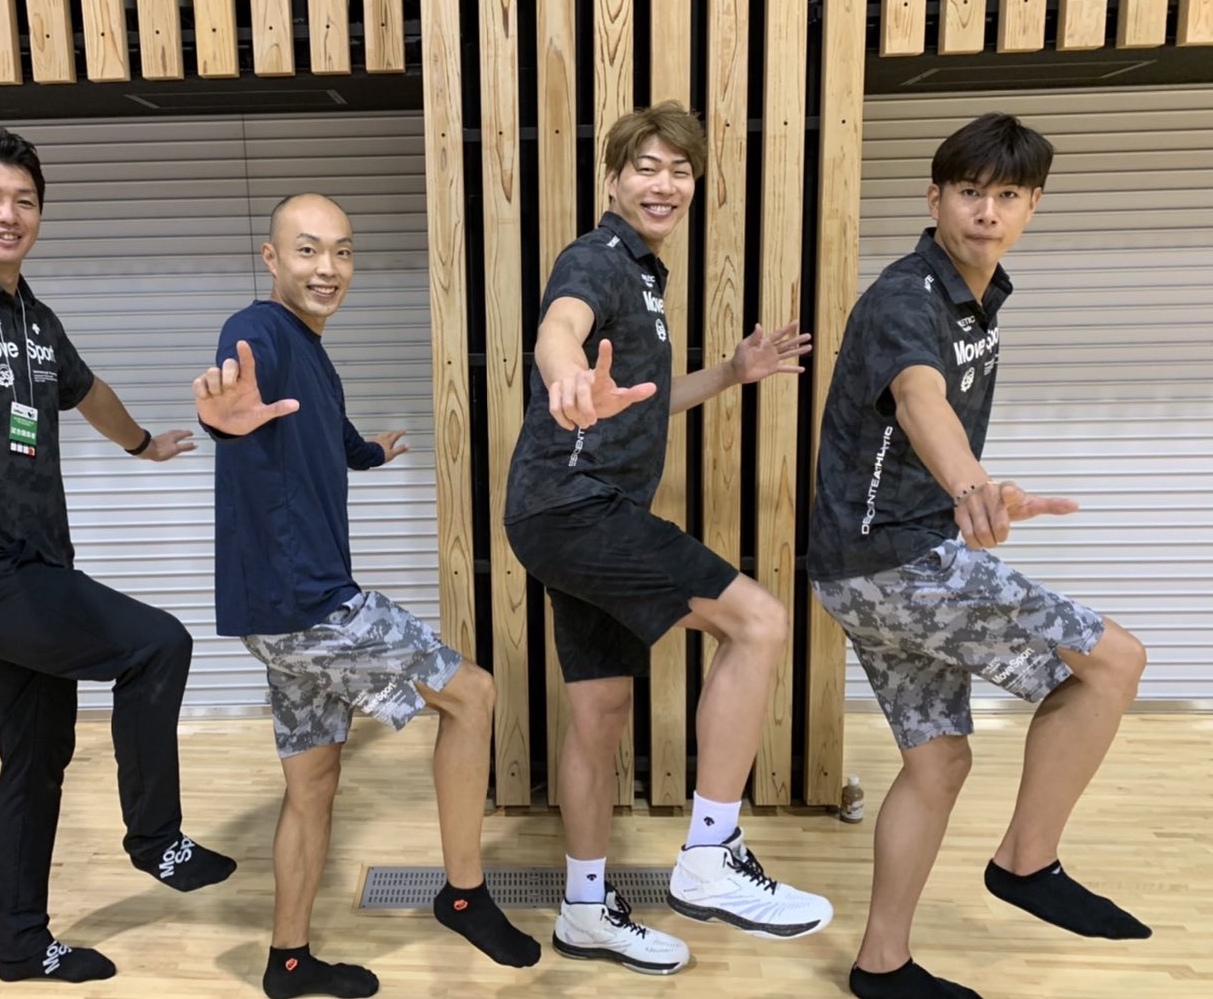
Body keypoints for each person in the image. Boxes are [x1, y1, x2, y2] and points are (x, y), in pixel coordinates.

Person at [0, 127, 235, 984]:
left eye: (24, 200)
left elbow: (86, 391)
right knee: (157, 644)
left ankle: (22, 945)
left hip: (35, 567)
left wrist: (141, 444)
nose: (8, 213)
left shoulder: (37, 321)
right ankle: (157, 839)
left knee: (35, 756)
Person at [806, 112, 1151, 999]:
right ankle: (1026, 862)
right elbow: (918, 396)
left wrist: (973, 491)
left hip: (862, 565)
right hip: (896, 561)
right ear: (934, 198)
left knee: (937, 761)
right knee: (1113, 661)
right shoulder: (905, 298)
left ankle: (881, 967)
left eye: (1006, 195)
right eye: (968, 192)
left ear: (1032, 206)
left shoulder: (979, 294)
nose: (985, 212)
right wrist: (970, 485)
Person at [502, 100, 833, 975]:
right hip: (575, 507)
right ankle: (710, 853)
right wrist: (565, 378)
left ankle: (583, 911)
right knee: (758, 622)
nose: (664, 183)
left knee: (599, 711)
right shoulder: (596, 259)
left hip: (563, 514)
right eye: (645, 166)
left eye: (679, 170)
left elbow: (645, 404)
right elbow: (559, 328)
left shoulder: (647, 278)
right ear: (613, 178)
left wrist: (731, 372)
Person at [193, 192, 541, 999]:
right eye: (308, 250)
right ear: (271, 258)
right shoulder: (258, 329)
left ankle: (287, 962)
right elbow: (238, 399)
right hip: (309, 603)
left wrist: (370, 454)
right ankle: (463, 896)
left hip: (273, 614)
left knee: (313, 784)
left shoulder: (313, 354)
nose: (328, 268)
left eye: (342, 251)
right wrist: (221, 422)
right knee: (473, 695)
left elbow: (327, 435)